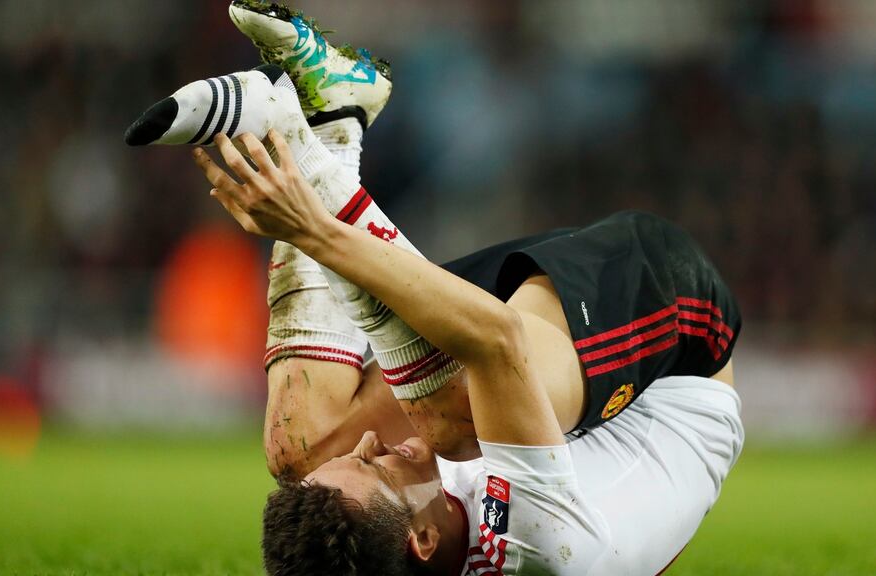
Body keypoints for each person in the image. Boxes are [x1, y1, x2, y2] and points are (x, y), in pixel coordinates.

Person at [126, 3, 745, 574]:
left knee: (302, 448)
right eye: (380, 465)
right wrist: (310, 230)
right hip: (678, 348)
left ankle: (336, 116)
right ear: (421, 540)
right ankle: (307, 148)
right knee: (454, 418)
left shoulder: (415, 540)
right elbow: (496, 341)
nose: (372, 443)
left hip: (559, 387)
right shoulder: (536, 547)